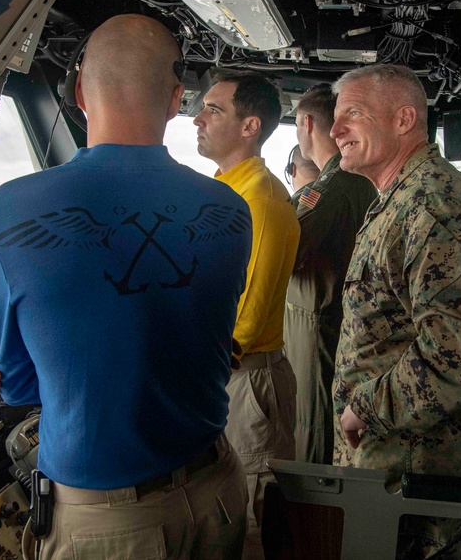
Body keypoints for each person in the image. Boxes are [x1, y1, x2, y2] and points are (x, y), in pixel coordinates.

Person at [0, 14, 252, 560]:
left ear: (78, 91)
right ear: (176, 100)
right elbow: (203, 340)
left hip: (106, 525)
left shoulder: (7, 213)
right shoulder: (231, 212)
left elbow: (19, 386)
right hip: (217, 493)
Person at [329, 65, 461, 558]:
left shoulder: (431, 204)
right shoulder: (402, 198)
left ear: (404, 118)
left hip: (416, 471)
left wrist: (364, 406)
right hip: (392, 465)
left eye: (353, 114)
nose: (334, 129)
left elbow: (460, 355)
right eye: (335, 116)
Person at [191, 71, 300, 560]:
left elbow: (247, 322)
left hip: (244, 377)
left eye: (213, 110)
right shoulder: (225, 191)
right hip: (225, 373)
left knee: (252, 522)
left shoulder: (258, 199)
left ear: (250, 126)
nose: (198, 117)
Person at [283, 83, 377, 464]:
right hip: (336, 325)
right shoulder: (359, 181)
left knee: (312, 429)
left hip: (318, 327)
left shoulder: (332, 188)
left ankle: (313, 515)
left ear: (306, 124)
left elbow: (284, 252)